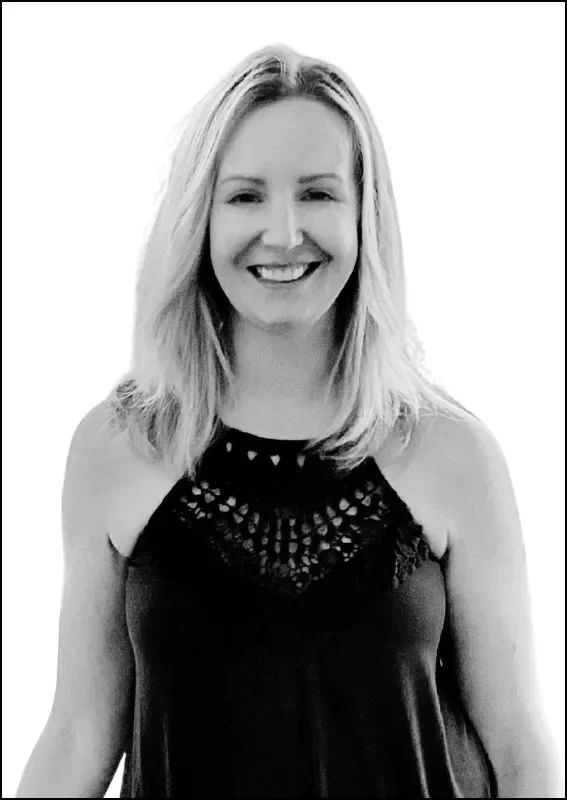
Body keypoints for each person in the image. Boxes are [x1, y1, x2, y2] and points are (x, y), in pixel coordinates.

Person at [16, 43, 563, 799]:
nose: (281, 233)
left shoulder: (448, 451)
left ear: (363, 214)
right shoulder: (121, 445)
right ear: (197, 220)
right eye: (244, 197)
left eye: (316, 194)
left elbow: (521, 753)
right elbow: (78, 736)